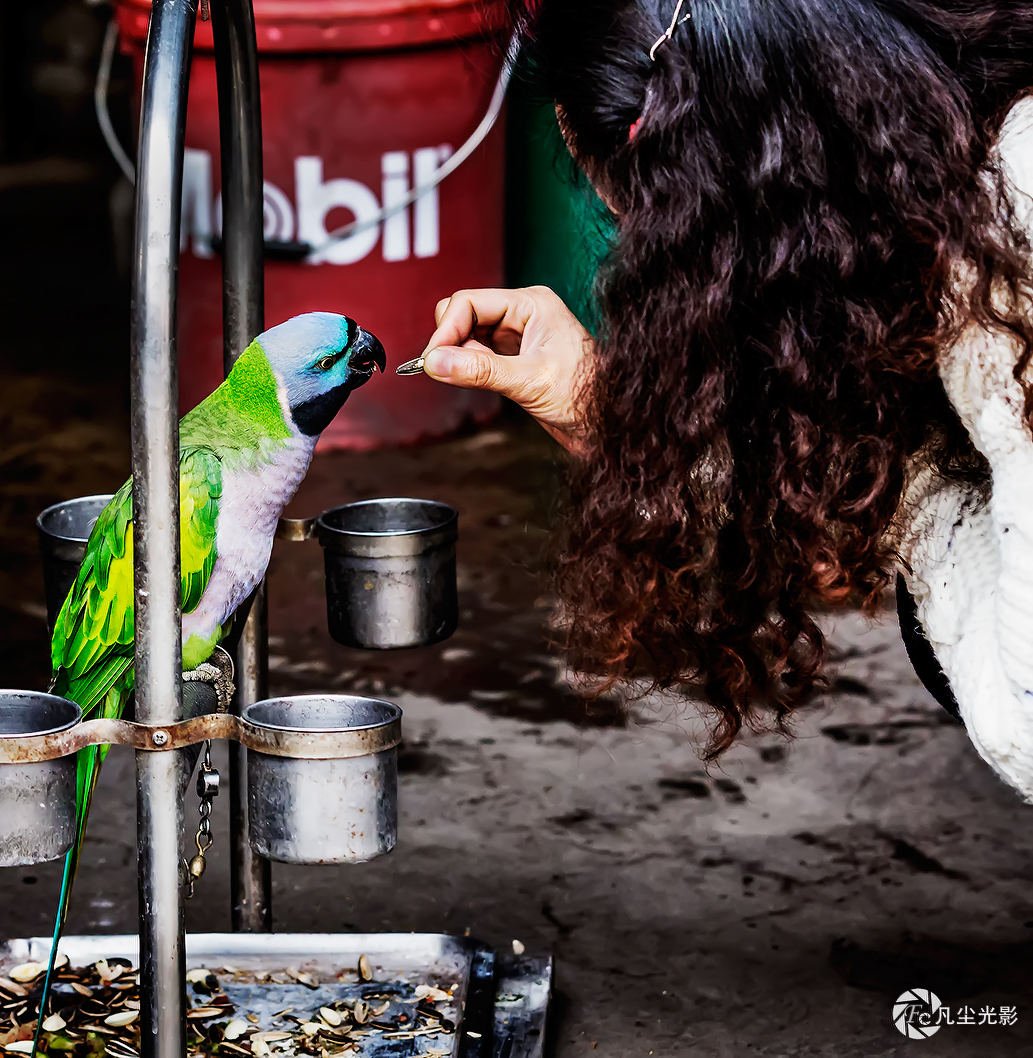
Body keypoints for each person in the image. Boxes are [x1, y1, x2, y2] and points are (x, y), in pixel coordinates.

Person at [416, 0, 1033, 798]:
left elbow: (1024, 715)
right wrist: (606, 408)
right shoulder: (948, 132)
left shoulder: (1013, 233)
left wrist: (910, 508)